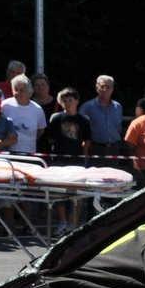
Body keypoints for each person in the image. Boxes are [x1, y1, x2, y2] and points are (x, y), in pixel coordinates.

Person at [46, 87, 92, 235]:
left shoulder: (83, 120)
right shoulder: (56, 118)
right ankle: (62, 220)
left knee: (75, 192)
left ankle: (73, 222)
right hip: (59, 159)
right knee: (58, 191)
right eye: (64, 101)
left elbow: (87, 139)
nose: (67, 103)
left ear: (77, 101)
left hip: (76, 160)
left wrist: (84, 153)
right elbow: (50, 138)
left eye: (70, 100)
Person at [80, 75, 123, 165]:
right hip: (94, 148)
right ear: (97, 88)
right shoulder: (87, 107)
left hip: (113, 149)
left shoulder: (118, 107)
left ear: (112, 89)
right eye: (102, 86)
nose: (105, 89)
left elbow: (118, 127)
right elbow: (81, 130)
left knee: (113, 177)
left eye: (108, 87)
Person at [0, 74, 46, 155]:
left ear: (29, 92)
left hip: (29, 153)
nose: (18, 93)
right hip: (7, 153)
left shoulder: (37, 109)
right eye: (15, 89)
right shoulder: (4, 105)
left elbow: (40, 130)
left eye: (22, 90)